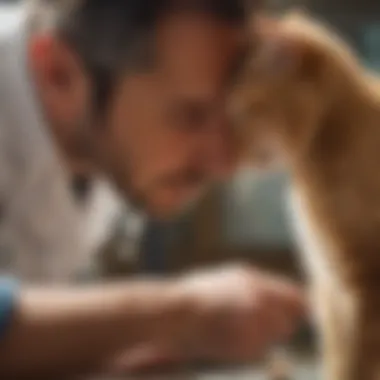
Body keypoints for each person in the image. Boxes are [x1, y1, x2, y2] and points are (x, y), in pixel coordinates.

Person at [0, 0, 306, 378]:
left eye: (232, 118)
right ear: (58, 74)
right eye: (189, 116)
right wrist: (182, 314)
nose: (223, 165)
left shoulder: (99, 141)